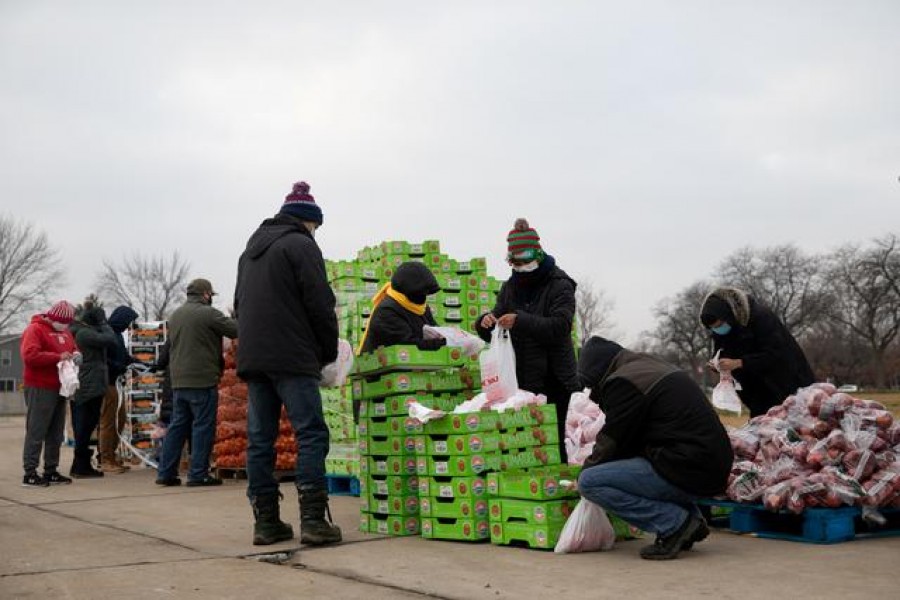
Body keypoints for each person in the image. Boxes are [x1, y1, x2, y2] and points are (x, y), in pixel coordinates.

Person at [234, 180, 341, 546]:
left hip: (254, 356)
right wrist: (328, 352)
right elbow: (320, 305)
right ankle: (313, 520)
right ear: (308, 221)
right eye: (316, 226)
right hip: (292, 356)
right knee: (310, 433)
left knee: (260, 440)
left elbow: (238, 305)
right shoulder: (302, 246)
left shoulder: (249, 252)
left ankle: (265, 522)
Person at [575, 336, 734, 560]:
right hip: (708, 465)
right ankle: (691, 522)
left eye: (591, 383)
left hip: (690, 466)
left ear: (598, 373)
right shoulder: (647, 366)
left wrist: (583, 471)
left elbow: (613, 439)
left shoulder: (624, 381)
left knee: (590, 482)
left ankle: (674, 524)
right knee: (639, 463)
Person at [475, 218, 579, 461]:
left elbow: (561, 326)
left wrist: (520, 320)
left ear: (537, 255)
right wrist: (485, 322)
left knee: (559, 449)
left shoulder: (560, 285)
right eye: (514, 262)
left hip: (556, 382)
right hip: (523, 384)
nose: (519, 267)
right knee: (532, 451)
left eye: (523, 262)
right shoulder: (510, 287)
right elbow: (498, 319)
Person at [155, 278, 237, 487]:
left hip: (179, 381)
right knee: (202, 427)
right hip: (202, 379)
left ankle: (166, 472)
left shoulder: (176, 314)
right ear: (206, 294)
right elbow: (235, 330)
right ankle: (198, 473)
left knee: (177, 426)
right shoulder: (208, 313)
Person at [699, 286, 815, 417]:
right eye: (714, 328)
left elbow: (775, 354)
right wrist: (717, 364)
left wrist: (740, 363)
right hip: (755, 395)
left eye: (720, 325)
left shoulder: (761, 318)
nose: (718, 330)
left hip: (786, 385)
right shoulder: (721, 332)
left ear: (729, 316)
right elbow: (722, 352)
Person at [20, 301, 78, 487]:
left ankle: (51, 470)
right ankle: (30, 472)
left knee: (55, 432)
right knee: (37, 430)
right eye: (62, 322)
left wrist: (76, 354)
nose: (65, 326)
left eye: (67, 323)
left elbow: (73, 348)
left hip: (60, 387)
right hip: (40, 386)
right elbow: (30, 356)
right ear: (53, 318)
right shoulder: (35, 330)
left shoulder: (65, 332)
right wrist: (57, 357)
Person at [69, 300, 119, 478]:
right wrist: (104, 323)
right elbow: (110, 340)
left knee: (87, 425)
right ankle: (80, 466)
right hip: (88, 385)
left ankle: (80, 464)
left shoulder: (82, 332)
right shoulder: (84, 334)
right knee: (84, 426)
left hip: (92, 383)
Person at [358, 261, 446, 354]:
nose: (424, 296)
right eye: (421, 292)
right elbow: (407, 344)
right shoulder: (387, 311)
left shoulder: (420, 307)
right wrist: (442, 343)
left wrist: (451, 338)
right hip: (384, 366)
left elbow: (435, 330)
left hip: (413, 365)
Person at [99, 305, 139, 473]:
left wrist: (136, 362)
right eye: (128, 321)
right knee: (109, 421)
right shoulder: (106, 334)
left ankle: (112, 454)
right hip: (108, 383)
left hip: (117, 382)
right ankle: (105, 458)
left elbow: (122, 355)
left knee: (120, 419)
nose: (129, 325)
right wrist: (120, 366)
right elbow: (105, 359)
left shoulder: (118, 336)